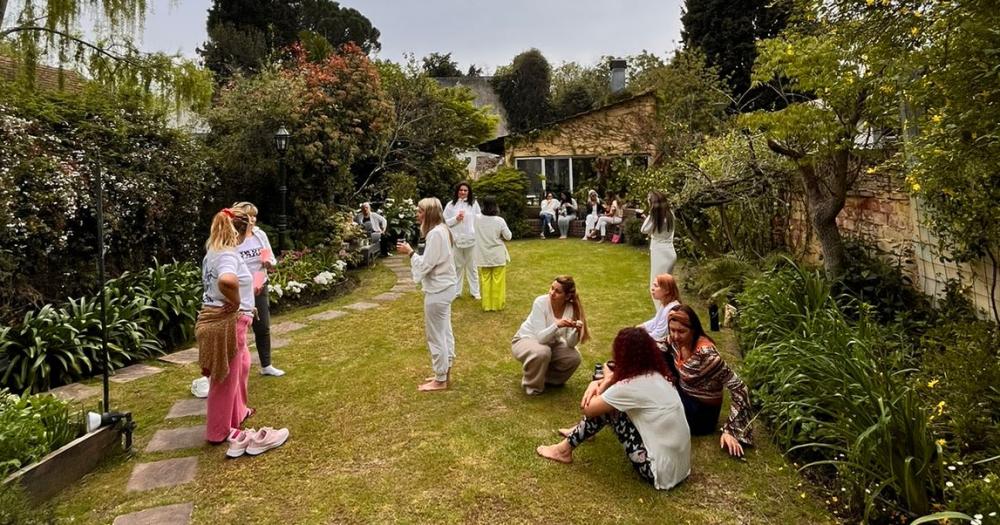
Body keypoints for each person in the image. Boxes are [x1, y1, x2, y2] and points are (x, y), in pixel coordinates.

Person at [536, 327, 691, 490]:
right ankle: (579, 432)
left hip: (657, 472)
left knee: (609, 410)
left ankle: (563, 450)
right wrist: (602, 382)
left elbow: (588, 409)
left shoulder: (630, 387)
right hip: (679, 467)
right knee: (611, 403)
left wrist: (601, 382)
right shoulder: (657, 376)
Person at [196, 208, 289, 456]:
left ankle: (239, 412)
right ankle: (221, 430)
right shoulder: (227, 254)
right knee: (225, 377)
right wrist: (237, 302)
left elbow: (255, 269)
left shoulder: (213, 252)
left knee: (243, 365)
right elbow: (227, 281)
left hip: (227, 319)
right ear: (238, 230)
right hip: (228, 321)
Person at [666, 305, 752, 457]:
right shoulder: (675, 342)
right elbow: (659, 346)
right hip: (683, 394)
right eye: (672, 330)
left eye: (681, 331)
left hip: (700, 414)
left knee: (654, 408)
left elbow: (740, 388)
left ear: (694, 330)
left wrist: (731, 430)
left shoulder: (707, 356)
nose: (675, 336)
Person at [396, 198, 457, 392]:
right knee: (444, 330)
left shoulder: (436, 234)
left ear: (429, 213)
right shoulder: (442, 231)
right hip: (445, 287)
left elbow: (426, 265)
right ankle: (444, 373)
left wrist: (410, 252)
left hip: (439, 290)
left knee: (436, 334)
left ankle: (440, 379)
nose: (417, 214)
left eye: (420, 211)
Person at [511, 276, 590, 395]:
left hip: (550, 343)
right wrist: (557, 325)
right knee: (542, 352)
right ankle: (532, 387)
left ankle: (548, 380)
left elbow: (570, 343)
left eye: (558, 291)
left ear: (567, 296)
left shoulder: (570, 308)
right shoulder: (540, 302)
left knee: (573, 357)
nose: (552, 293)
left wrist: (576, 331)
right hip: (525, 340)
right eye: (552, 288)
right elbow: (541, 338)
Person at [231, 202, 284, 377]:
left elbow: (268, 257)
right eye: (249, 216)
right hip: (239, 289)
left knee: (263, 327)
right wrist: (245, 288)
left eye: (254, 216)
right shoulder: (232, 239)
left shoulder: (259, 235)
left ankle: (266, 365)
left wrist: (269, 264)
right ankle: (235, 368)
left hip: (260, 284)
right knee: (238, 330)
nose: (253, 219)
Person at [443, 181, 481, 300]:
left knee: (472, 267)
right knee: (457, 267)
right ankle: (456, 292)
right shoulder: (450, 205)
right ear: (457, 191)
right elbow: (445, 221)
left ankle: (475, 292)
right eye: (461, 190)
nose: (463, 192)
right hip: (456, 240)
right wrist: (456, 219)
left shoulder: (473, 204)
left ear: (469, 192)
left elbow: (479, 220)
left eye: (465, 190)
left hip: (471, 239)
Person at [474, 196, 512, 311]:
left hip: (483, 255)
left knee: (485, 280)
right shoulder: (499, 221)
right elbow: (508, 236)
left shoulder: (476, 219)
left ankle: (487, 305)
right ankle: (497, 305)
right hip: (497, 255)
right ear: (495, 205)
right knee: (498, 280)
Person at [641, 192, 677, 310]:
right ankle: (667, 317)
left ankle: (662, 320)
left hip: (660, 254)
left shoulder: (655, 216)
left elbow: (644, 229)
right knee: (667, 291)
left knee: (656, 289)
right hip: (670, 252)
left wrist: (650, 213)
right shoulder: (670, 214)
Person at [640, 273, 682, 348]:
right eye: (653, 285)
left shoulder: (671, 309)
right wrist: (639, 327)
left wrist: (638, 336)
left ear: (667, 290)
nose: (652, 288)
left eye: (656, 286)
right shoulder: (665, 304)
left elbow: (659, 335)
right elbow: (655, 322)